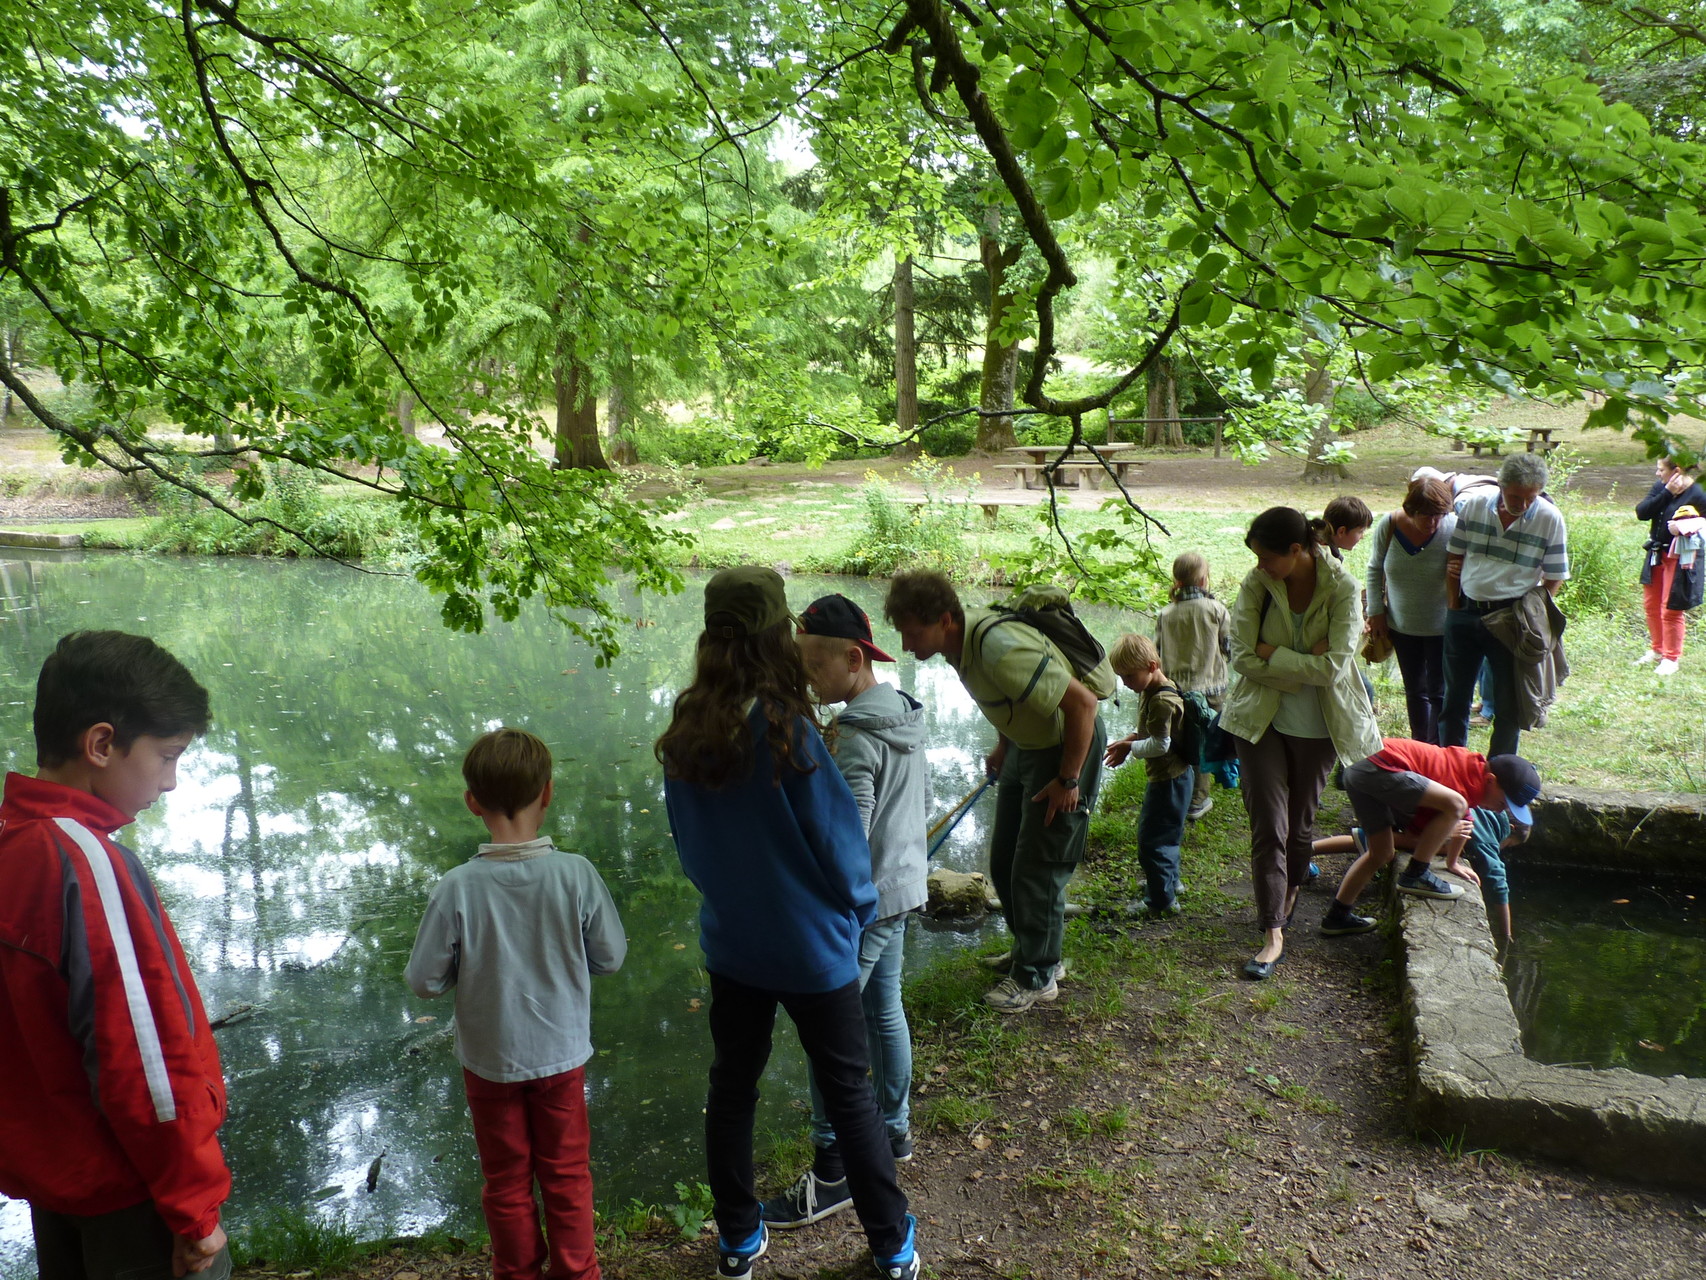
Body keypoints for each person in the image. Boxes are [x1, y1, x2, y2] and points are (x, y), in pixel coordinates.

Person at [657, 567, 918, 1280]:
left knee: (731, 1087)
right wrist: (859, 912)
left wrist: (729, 905)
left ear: (711, 638)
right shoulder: (790, 732)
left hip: (734, 945)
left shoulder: (686, 732)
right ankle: (893, 1246)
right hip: (814, 952)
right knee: (849, 1093)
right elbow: (841, 851)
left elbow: (688, 845)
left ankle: (738, 1240)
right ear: (779, 636)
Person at [0, 632, 232, 1280]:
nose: (172, 781)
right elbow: (144, 1063)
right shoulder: (89, 863)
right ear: (101, 745)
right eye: (166, 756)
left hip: (55, 1185)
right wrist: (195, 1209)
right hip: (134, 1198)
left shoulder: (11, 845)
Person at [405, 728, 627, 1280]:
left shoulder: (456, 888)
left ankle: (517, 1271)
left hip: (490, 1063)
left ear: (472, 802)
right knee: (567, 1174)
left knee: (505, 1179)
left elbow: (424, 982)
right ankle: (578, 1272)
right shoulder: (576, 875)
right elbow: (611, 957)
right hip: (561, 1056)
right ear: (547, 793)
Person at [762, 594, 927, 1231]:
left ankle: (833, 1167)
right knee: (883, 1010)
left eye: (813, 666)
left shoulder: (857, 735)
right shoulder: (904, 709)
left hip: (869, 901)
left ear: (853, 660)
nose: (806, 678)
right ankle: (894, 1131)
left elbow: (847, 841)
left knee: (827, 1031)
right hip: (907, 885)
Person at [883, 572, 1110, 1014]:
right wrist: (1004, 742)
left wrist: (1068, 780)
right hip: (1028, 745)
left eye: (913, 633)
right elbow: (1007, 699)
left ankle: (1038, 975)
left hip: (1067, 746)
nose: (907, 645)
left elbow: (1083, 705)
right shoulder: (956, 646)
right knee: (1005, 861)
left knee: (1038, 866)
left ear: (945, 619)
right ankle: (1031, 949)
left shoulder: (998, 647)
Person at [1218, 508, 1383, 980]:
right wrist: (1295, 661)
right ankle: (1272, 932)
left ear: (1297, 550)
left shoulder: (1343, 589)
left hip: (1319, 725)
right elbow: (1242, 656)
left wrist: (1275, 654)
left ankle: (1288, 897)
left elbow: (1333, 668)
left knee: (1298, 829)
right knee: (1269, 824)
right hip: (1259, 720)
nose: (1260, 566)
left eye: (1268, 557)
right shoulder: (1257, 585)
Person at [1319, 740, 1540, 945]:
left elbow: (1466, 819)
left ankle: (1337, 916)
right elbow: (1421, 830)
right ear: (1491, 781)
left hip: (1362, 771)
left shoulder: (1471, 776)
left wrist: (1453, 863)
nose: (1501, 811)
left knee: (1381, 853)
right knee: (1456, 804)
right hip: (1378, 767)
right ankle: (1416, 874)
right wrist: (1445, 832)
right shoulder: (1459, 785)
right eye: (1503, 803)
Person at [1441, 453, 1570, 757]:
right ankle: (1452, 769)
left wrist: (1533, 613)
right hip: (1466, 611)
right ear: (1501, 485)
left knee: (1508, 704)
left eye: (1531, 497)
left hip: (1512, 619)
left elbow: (1555, 576)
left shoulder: (1550, 518)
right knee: (1454, 700)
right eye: (1515, 496)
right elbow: (1454, 556)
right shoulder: (1473, 505)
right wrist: (1454, 605)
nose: (1522, 504)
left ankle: (1497, 775)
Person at [1313, 803, 1520, 949]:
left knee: (1372, 841)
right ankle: (1305, 850)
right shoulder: (1489, 838)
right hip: (1423, 830)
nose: (1504, 848)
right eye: (1509, 845)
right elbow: (1498, 882)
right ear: (1510, 829)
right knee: (1396, 843)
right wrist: (1506, 934)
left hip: (1414, 812)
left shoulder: (1484, 810)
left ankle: (1307, 849)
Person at [1103, 633, 1191, 916]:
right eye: (1121, 677)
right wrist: (1130, 738)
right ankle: (1169, 884)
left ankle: (1160, 901)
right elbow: (1154, 732)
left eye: (1129, 676)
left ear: (1152, 666)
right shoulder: (1154, 689)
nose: (1125, 683)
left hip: (1169, 780)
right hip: (1175, 778)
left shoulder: (1161, 700)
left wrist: (1130, 746)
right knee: (1167, 835)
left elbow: (1160, 744)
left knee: (1152, 841)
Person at [1365, 477, 1457, 743]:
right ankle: (1419, 743)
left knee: (1438, 691)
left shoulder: (1453, 528)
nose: (1433, 524)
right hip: (1401, 624)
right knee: (1414, 689)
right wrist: (1376, 612)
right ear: (1410, 510)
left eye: (1439, 516)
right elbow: (1374, 569)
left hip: (1441, 627)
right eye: (1426, 516)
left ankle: (1437, 747)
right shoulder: (1390, 525)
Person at [1155, 551, 1231, 821]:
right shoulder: (1216, 610)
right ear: (1203, 580)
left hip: (1175, 690)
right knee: (1204, 744)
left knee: (1178, 741)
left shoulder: (1165, 613)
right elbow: (1228, 647)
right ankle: (1198, 800)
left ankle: (1178, 793)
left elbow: (1158, 651)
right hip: (1211, 690)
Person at [1633, 455, 1706, 675]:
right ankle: (1657, 649)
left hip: (1683, 556)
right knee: (1651, 604)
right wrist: (1666, 493)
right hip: (1657, 552)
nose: (1657, 474)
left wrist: (1686, 526)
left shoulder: (1699, 492)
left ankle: (1671, 657)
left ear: (1677, 471)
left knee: (1671, 607)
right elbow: (1642, 512)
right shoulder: (1661, 487)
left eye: (1661, 470)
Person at [1316, 495, 1373, 559]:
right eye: (1360, 531)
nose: (1362, 537)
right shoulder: (1325, 558)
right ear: (1341, 532)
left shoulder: (1317, 545)